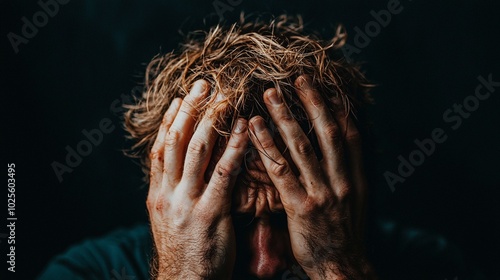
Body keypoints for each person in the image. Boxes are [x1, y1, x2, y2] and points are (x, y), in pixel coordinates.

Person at [38, 14, 463, 280]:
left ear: (348, 183)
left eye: (292, 219)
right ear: (164, 193)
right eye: (235, 223)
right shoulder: (86, 272)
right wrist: (185, 273)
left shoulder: (430, 265)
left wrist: (337, 268)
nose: (267, 265)